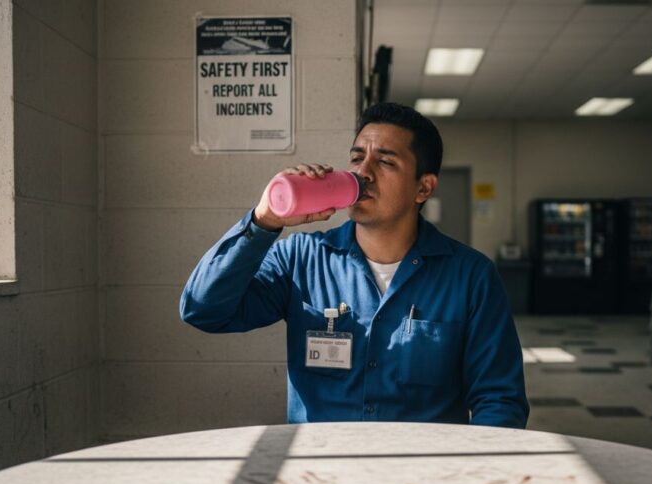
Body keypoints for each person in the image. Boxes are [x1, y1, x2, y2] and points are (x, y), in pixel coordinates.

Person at [180, 102, 529, 428]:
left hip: (421, 477)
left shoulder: (471, 276)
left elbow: (500, 399)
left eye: (386, 162)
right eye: (357, 157)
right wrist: (265, 220)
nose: (364, 172)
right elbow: (203, 310)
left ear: (423, 188)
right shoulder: (301, 259)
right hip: (322, 475)